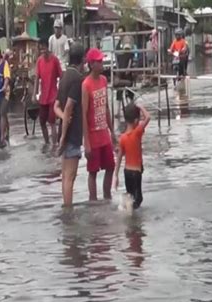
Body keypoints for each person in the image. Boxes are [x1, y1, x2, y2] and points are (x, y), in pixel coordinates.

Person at [54, 42, 85, 207]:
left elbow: (56, 107)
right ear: (82, 60)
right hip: (71, 135)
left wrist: (65, 119)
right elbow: (68, 107)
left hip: (65, 131)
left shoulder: (65, 77)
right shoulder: (77, 79)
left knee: (65, 176)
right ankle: (68, 211)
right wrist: (65, 135)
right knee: (70, 177)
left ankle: (67, 208)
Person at [82, 48, 116, 201]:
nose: (102, 63)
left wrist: (112, 131)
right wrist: (87, 142)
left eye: (102, 61)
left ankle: (107, 197)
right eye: (99, 61)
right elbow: (83, 114)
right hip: (93, 136)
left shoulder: (103, 80)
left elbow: (107, 107)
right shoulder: (86, 85)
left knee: (110, 167)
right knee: (93, 171)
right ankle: (93, 200)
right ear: (91, 64)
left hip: (104, 134)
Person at [113, 103, 151, 209]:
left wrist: (115, 175)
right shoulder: (137, 132)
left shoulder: (122, 138)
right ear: (136, 121)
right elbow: (148, 117)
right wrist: (140, 106)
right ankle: (126, 211)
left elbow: (119, 157)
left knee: (130, 196)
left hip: (127, 172)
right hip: (136, 173)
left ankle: (127, 208)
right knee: (138, 199)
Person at [32, 38, 63, 146]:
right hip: (43, 97)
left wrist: (62, 93)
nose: (42, 51)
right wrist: (34, 94)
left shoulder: (54, 60)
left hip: (53, 96)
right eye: (40, 49)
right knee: (42, 122)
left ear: (48, 47)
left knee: (52, 122)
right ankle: (47, 143)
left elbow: (61, 76)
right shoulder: (39, 61)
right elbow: (37, 78)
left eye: (44, 48)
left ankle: (54, 145)